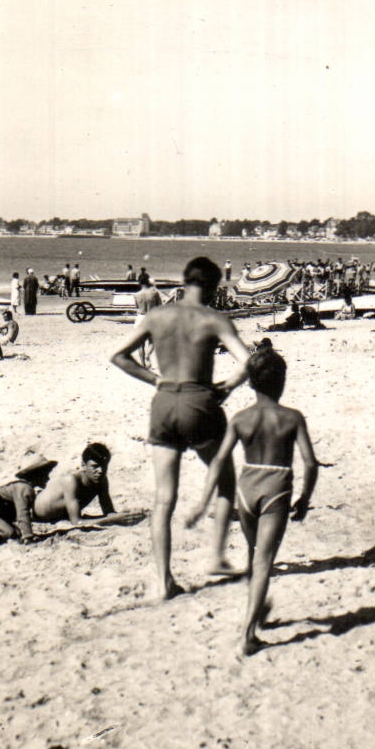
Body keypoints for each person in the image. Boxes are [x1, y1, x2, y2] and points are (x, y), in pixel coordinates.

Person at [110, 256, 253, 600]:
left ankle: (163, 582)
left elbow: (118, 356)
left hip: (164, 403)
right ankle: (217, 556)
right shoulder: (215, 319)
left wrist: (155, 380)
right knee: (225, 481)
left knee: (163, 499)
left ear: (184, 281)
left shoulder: (156, 316)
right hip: (199, 401)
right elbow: (249, 362)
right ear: (215, 286)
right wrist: (228, 387)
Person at [185, 346, 318, 656]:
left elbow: (218, 461)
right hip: (276, 487)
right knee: (263, 563)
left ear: (251, 384)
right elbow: (310, 463)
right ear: (282, 382)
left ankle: (257, 609)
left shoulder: (241, 418)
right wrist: (305, 498)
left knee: (252, 555)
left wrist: (203, 502)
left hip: (246, 487)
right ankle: (248, 633)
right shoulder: (292, 417)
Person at [0, 451, 58, 545]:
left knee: (16, 533)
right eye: (44, 475)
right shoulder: (24, 489)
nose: (47, 478)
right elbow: (22, 513)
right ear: (35, 475)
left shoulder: (22, 487)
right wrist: (28, 536)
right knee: (9, 533)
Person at [33, 442, 121, 524]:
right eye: (95, 466)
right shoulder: (71, 480)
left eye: (104, 466)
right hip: (34, 514)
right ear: (83, 465)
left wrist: (119, 517)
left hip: (59, 516)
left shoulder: (102, 480)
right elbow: (76, 522)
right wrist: (114, 518)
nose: (100, 471)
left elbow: (109, 512)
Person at [132, 274, 163, 367]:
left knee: (140, 344)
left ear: (139, 282)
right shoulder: (154, 293)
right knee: (153, 340)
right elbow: (159, 307)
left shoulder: (136, 295)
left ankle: (142, 364)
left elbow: (137, 307)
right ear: (148, 282)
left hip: (140, 318)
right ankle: (147, 355)